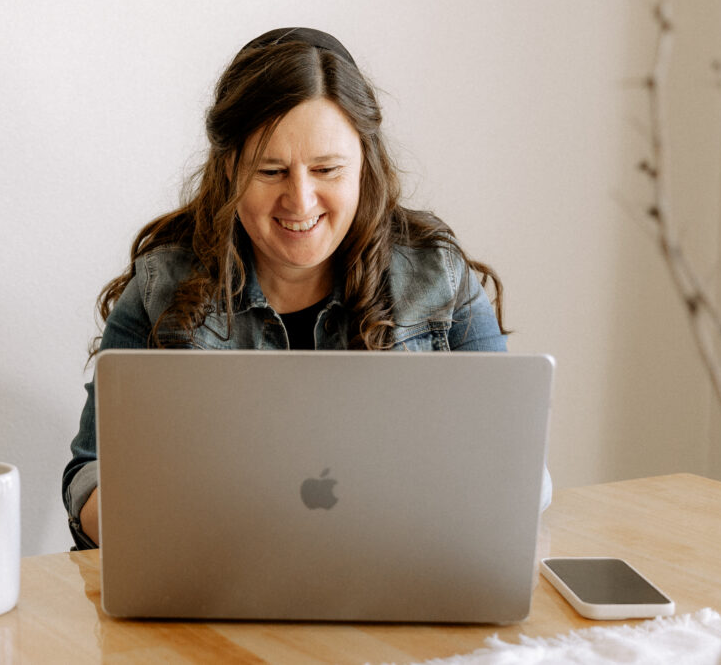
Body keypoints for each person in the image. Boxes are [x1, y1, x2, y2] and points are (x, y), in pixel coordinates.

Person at [62, 27, 549, 550]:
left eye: (326, 169)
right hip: (213, 589)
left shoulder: (440, 279)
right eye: (271, 170)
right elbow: (91, 472)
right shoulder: (162, 286)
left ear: (364, 163)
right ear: (229, 169)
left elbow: (521, 472)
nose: (300, 200)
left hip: (398, 576)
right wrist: (150, 529)